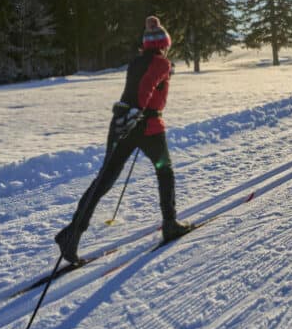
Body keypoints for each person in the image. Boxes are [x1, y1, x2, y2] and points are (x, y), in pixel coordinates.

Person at [55, 16, 192, 263]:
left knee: (104, 180)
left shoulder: (136, 62)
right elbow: (146, 88)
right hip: (146, 126)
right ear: (164, 44)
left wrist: (128, 116)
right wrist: (136, 112)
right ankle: (170, 223)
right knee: (165, 171)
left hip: (121, 125)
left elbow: (140, 86)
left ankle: (71, 235)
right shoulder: (161, 63)